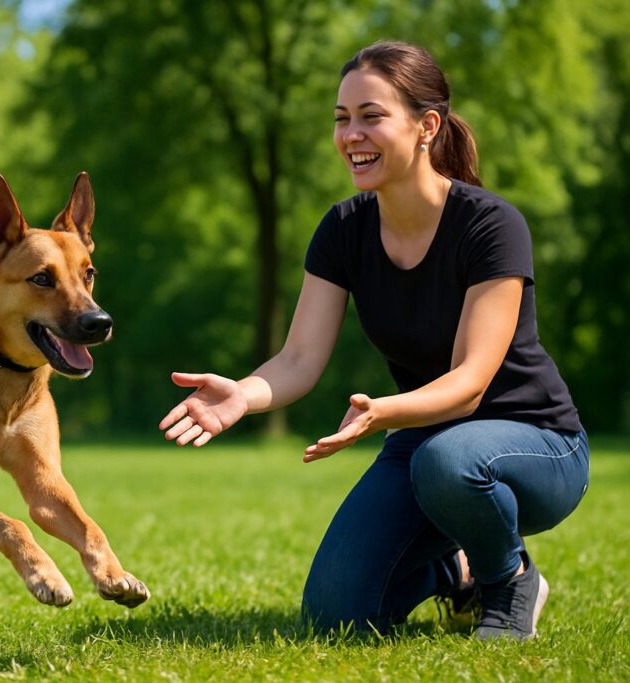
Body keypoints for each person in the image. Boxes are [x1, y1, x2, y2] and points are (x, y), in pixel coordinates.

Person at [159, 41, 588, 641]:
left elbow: (468, 386)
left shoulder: (491, 226)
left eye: (371, 116)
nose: (351, 134)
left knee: (449, 459)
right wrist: (244, 395)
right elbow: (300, 358)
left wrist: (384, 413)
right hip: (427, 444)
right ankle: (456, 570)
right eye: (341, 119)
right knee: (335, 615)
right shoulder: (343, 229)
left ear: (425, 127)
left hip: (537, 444)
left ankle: (508, 577)